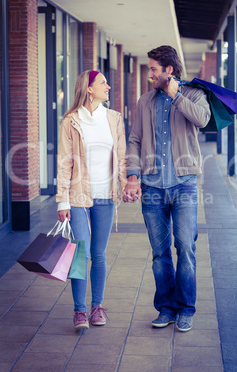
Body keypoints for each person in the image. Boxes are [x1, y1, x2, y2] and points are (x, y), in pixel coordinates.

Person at [123, 45, 211, 332]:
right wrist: (133, 175)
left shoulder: (195, 94)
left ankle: (186, 308)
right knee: (160, 253)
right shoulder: (145, 101)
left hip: (184, 184)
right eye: (149, 69)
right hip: (152, 187)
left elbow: (203, 119)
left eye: (152, 69)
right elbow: (134, 139)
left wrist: (176, 96)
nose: (149, 74)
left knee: (185, 247)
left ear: (169, 70)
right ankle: (166, 307)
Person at [56, 70, 127, 330]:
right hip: (78, 196)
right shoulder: (71, 121)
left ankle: (97, 307)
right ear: (89, 89)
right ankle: (79, 311)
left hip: (105, 196)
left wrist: (126, 184)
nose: (108, 87)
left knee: (98, 254)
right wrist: (61, 201)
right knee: (80, 253)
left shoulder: (114, 118)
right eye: (103, 83)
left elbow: (121, 155)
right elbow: (64, 162)